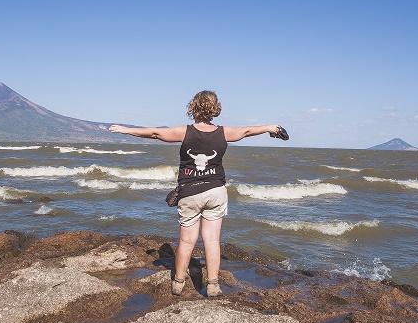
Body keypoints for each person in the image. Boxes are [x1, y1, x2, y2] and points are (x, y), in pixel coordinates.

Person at [109, 90, 288, 297]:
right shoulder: (224, 133)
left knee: (186, 241)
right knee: (212, 240)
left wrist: (126, 130)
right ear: (215, 109)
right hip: (216, 191)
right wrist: (271, 128)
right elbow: (247, 131)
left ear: (193, 107)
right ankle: (212, 285)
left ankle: (178, 282)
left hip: (190, 192)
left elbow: (155, 134)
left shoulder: (184, 132)